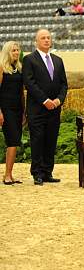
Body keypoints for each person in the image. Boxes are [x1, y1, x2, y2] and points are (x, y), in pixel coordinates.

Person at [22, 29, 68, 186]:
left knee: (51, 140)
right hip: (37, 109)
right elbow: (30, 83)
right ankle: (37, 173)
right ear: (36, 41)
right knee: (37, 140)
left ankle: (48, 172)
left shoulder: (58, 60)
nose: (47, 40)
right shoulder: (29, 59)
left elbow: (64, 84)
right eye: (43, 38)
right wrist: (45, 100)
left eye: (48, 38)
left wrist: (58, 100)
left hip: (54, 109)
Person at [0, 41, 25, 185]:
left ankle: (9, 174)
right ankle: (7, 175)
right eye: (13, 50)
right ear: (7, 52)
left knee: (14, 141)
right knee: (12, 141)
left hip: (17, 110)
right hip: (6, 109)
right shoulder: (2, 68)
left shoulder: (19, 68)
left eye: (17, 50)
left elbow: (21, 92)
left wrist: (24, 111)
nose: (16, 52)